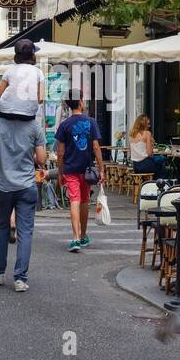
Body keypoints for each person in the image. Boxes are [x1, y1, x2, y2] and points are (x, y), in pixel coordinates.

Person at [0, 104, 46, 292]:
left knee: (2, 227)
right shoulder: (35, 126)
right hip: (27, 185)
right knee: (25, 232)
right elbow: (42, 159)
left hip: (3, 186)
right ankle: (20, 279)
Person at [56, 95, 105, 252]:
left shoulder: (64, 125)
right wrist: (102, 168)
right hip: (87, 169)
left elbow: (61, 152)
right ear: (80, 102)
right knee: (84, 201)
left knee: (74, 201)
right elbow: (96, 147)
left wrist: (59, 171)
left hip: (70, 169)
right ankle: (83, 236)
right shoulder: (91, 122)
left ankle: (76, 238)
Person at [0, 39, 44, 121]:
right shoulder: (39, 72)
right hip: (29, 113)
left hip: (6, 111)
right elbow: (40, 100)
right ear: (33, 55)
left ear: (16, 56)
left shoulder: (9, 71)